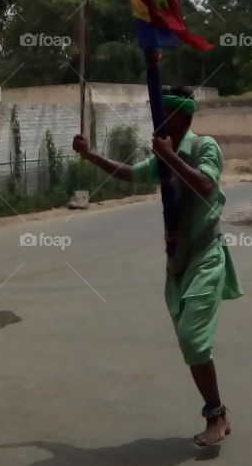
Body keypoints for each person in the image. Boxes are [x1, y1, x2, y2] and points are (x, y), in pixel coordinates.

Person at [73, 87, 242, 446]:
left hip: (206, 256)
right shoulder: (165, 156)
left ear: (180, 116)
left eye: (163, 112)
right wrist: (90, 156)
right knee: (191, 345)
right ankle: (217, 411)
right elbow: (130, 173)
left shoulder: (204, 147)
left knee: (193, 338)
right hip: (177, 264)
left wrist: (169, 156)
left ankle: (216, 414)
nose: (157, 119)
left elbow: (205, 184)